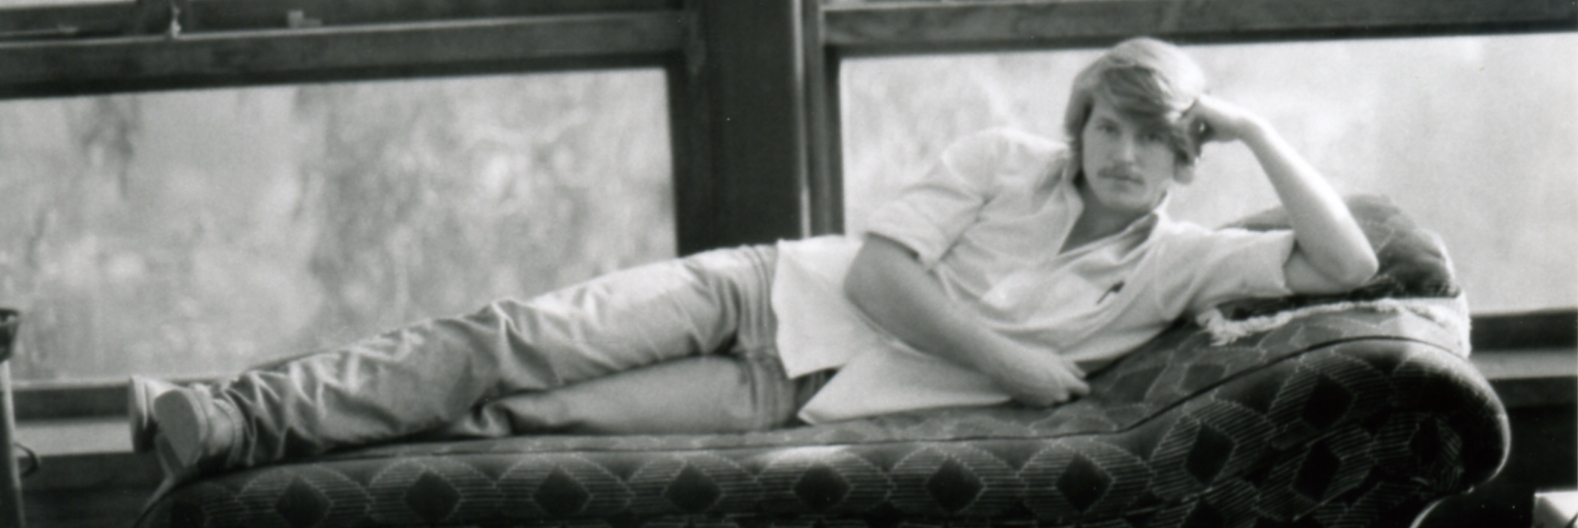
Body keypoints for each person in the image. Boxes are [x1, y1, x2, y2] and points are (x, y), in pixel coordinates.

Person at [128, 37, 1377, 496]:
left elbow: (1350, 258)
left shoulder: (1178, 267)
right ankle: (235, 415)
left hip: (789, 395)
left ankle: (220, 434)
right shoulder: (1007, 158)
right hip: (765, 289)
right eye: (1109, 124)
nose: (1124, 152)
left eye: (1154, 138)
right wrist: (1009, 361)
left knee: (523, 416)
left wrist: (1256, 127)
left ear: (1185, 155)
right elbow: (882, 279)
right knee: (517, 339)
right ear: (1082, 124)